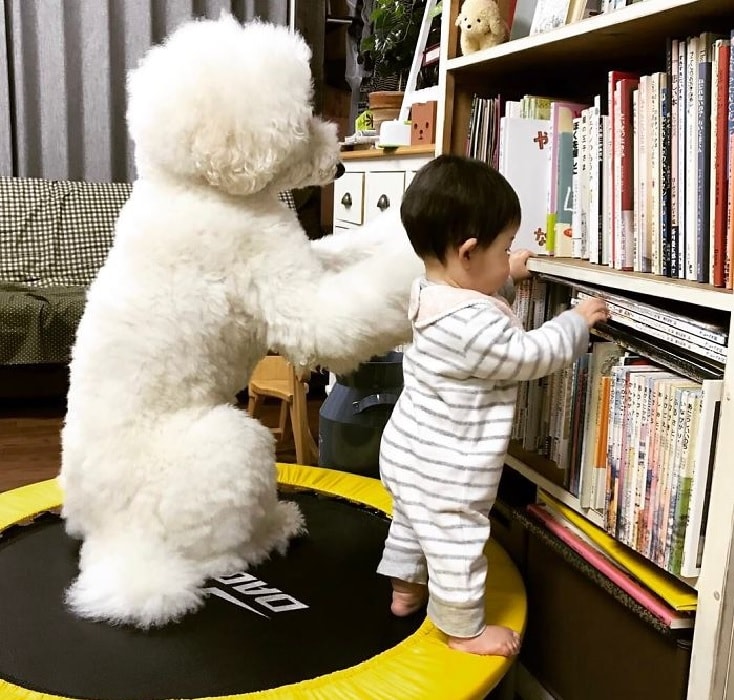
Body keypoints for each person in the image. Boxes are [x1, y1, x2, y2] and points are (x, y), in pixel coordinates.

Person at [376, 154, 608, 657]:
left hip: (406, 453)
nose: (509, 259)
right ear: (468, 252)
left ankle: (405, 589)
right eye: (504, 250)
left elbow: (474, 295)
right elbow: (527, 354)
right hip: (446, 468)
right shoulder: (476, 327)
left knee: (413, 524)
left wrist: (506, 274)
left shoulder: (430, 293)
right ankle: (463, 630)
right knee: (456, 541)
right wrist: (574, 322)